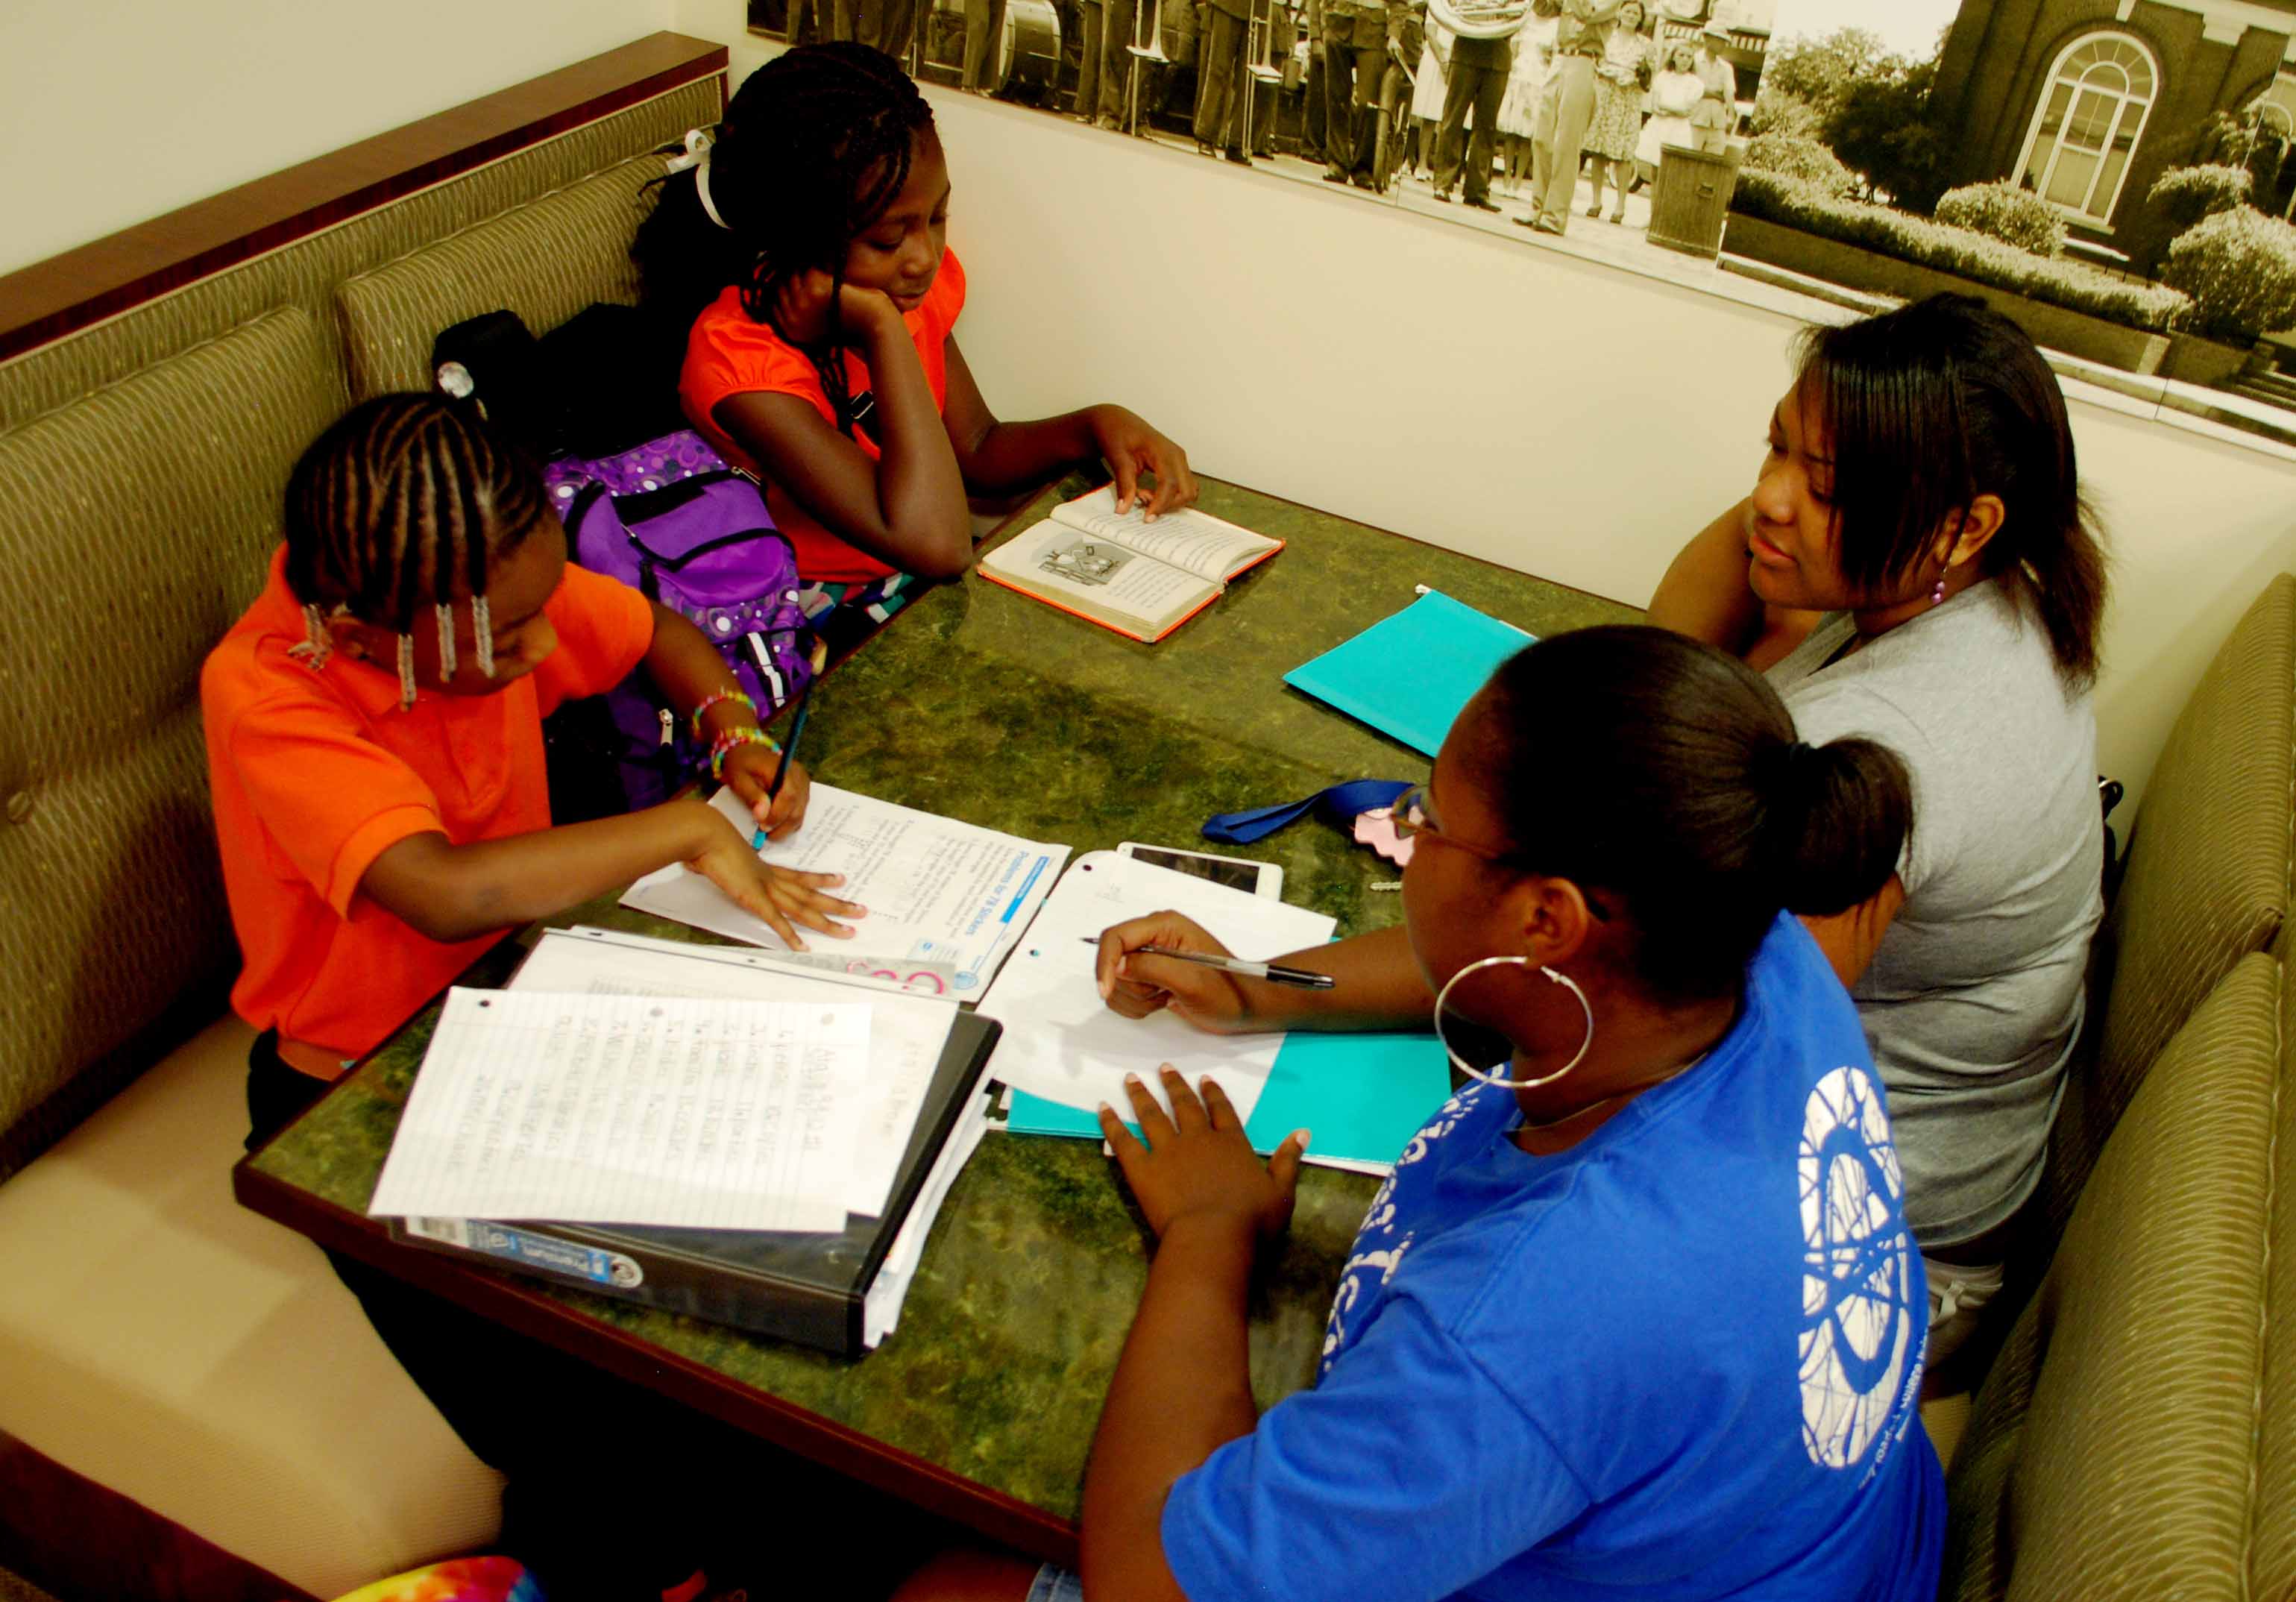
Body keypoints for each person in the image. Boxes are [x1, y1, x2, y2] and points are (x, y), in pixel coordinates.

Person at [896, 626, 1943, 1601]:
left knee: (939, 1577)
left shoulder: (1531, 1322)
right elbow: (1505, 962)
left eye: (1428, 820)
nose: (1406, 833)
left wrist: (1209, 1233)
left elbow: (1147, 1578)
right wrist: (1258, 984)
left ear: (1545, 916)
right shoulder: (1744, 948)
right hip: (1807, 1537)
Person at [204, 394, 866, 1601]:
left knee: (753, 1326)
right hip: (353, 1097)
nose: (539, 642)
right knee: (585, 1437)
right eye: (509, 638)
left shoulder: (485, 590)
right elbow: (442, 891)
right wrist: (670, 827)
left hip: (522, 1003)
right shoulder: (273, 694)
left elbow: (653, 631)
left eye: (537, 610)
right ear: (363, 632)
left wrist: (731, 733)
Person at [1646, 293, 2111, 1368]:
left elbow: (1720, 1047)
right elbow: (1668, 685)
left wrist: (1275, 981)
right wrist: (1807, 472)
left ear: (1961, 522)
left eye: (1825, 488)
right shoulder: (2007, 588)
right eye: (1770, 447)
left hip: (1874, 1266)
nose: (1764, 502)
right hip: (1929, 1178)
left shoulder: (1878, 748)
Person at [632, 45, 1197, 608]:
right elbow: (935, 545)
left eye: (936, 218)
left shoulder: (905, 291)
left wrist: (1094, 424)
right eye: (886, 239)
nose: (924, 257)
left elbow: (976, 451)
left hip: (913, 586)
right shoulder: (741, 363)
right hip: (804, 607)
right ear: (795, 236)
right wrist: (882, 329)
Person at [1521, 0, 1621, 235]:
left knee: (1566, 143)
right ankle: (1538, 208)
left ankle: (1555, 216)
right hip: (1559, 58)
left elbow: (1587, 12)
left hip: (1584, 62)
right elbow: (1542, 9)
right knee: (1541, 138)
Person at [1579, 0, 1650, 224]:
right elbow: (1594, 61)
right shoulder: (1607, 34)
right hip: (1605, 92)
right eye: (1627, 11)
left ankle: (1620, 205)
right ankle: (1595, 200)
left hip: (1628, 98)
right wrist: (1603, 70)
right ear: (1619, 12)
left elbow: (1650, 75)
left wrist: (1635, 78)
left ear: (1641, 18)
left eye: (1635, 13)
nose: (1630, 15)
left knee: (1623, 154)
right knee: (1598, 149)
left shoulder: (1646, 45)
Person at [1430, 22, 1511, 211]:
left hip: (1498, 56)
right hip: (1466, 50)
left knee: (1487, 127)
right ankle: (1443, 183)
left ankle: (1478, 190)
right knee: (1453, 119)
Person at [1493, 4, 1559, 195]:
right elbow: (1514, 48)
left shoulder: (1556, 24)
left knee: (1528, 135)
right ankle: (1505, 179)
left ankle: (1518, 182)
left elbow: (1554, 56)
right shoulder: (1526, 17)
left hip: (1539, 80)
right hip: (1518, 77)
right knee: (1512, 132)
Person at [1635, 37, 1702, 193]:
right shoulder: (1663, 76)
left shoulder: (1695, 83)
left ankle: (1662, 209)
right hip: (1660, 126)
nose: (1685, 60)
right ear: (1673, 56)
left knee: (1671, 173)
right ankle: (1653, 212)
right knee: (1655, 172)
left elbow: (1686, 110)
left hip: (1678, 130)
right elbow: (1656, 105)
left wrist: (1668, 108)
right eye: (1681, 55)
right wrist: (1668, 109)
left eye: (1689, 57)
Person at [1688, 22, 1735, 153]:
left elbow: (1729, 94)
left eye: (1724, 41)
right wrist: (1717, 95)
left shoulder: (1726, 68)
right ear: (1707, 39)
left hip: (1717, 123)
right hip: (1694, 119)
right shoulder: (1692, 61)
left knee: (1714, 161)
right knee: (1689, 159)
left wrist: (1731, 116)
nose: (1723, 45)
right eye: (1720, 40)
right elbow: (1690, 90)